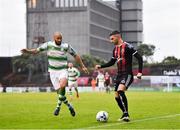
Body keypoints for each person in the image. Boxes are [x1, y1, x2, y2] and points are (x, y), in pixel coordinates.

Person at [21, 32, 88, 117]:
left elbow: (76, 55)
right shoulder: (48, 45)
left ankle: (58, 107)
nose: (59, 40)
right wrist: (28, 51)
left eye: (60, 38)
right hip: (53, 72)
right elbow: (36, 51)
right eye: (58, 38)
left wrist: (83, 66)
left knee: (63, 85)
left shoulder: (66, 46)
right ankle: (69, 106)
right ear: (54, 38)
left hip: (63, 70)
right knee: (60, 94)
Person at [95, 30, 143, 122]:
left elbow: (139, 58)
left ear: (118, 37)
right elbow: (112, 62)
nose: (111, 41)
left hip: (127, 74)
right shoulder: (115, 49)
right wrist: (101, 66)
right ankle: (124, 113)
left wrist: (140, 72)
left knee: (120, 91)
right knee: (116, 96)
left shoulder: (128, 46)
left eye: (112, 39)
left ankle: (126, 114)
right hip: (119, 75)